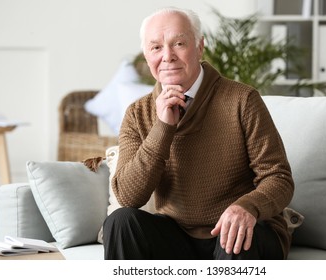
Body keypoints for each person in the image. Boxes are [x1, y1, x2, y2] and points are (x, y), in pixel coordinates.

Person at [103, 6, 294, 260]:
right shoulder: (137, 114)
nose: (168, 56)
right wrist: (163, 128)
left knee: (237, 236)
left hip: (239, 230)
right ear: (147, 56)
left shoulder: (242, 100)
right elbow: (128, 196)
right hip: (175, 236)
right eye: (156, 47)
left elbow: (279, 178)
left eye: (179, 43)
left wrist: (247, 207)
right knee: (121, 222)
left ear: (200, 46)